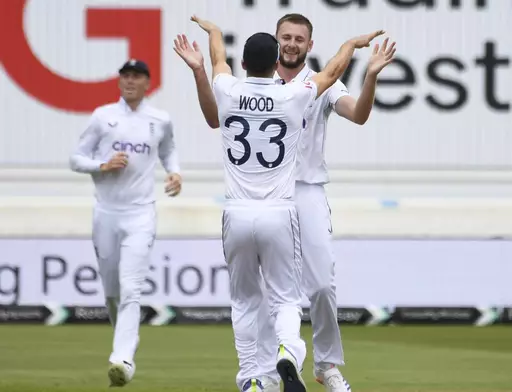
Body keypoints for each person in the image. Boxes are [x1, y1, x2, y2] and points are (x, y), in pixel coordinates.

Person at [175, 13, 396, 392]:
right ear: (277, 45)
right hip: (275, 199)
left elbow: (358, 115)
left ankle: (325, 366)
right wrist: (351, 48)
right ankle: (270, 369)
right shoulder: (288, 88)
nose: (292, 43)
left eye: (300, 38)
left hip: (304, 191)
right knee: (272, 293)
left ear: (309, 45)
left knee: (321, 285)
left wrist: (371, 75)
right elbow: (216, 116)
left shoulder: (311, 85)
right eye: (286, 37)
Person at [69, 59, 182, 387]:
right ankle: (124, 343)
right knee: (113, 292)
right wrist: (102, 165)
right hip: (106, 212)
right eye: (126, 76)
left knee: (132, 288)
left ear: (147, 82)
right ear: (119, 81)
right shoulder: (103, 117)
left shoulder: (159, 119)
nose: (130, 81)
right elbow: (76, 159)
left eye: (137, 77)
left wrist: (175, 173)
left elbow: (169, 150)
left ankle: (122, 359)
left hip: (140, 214)